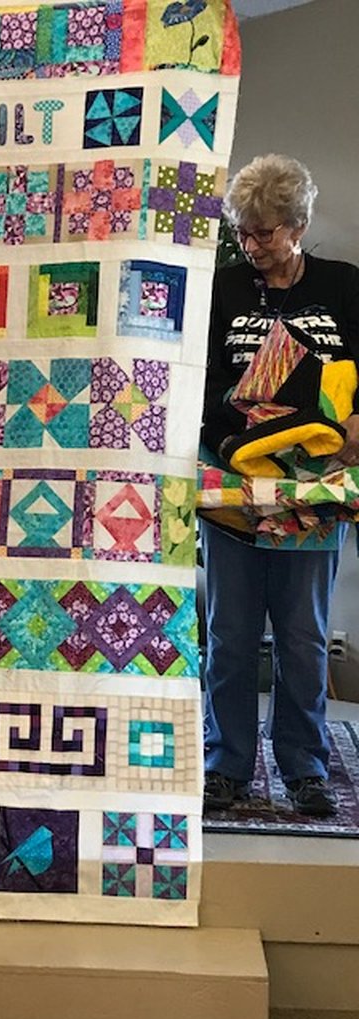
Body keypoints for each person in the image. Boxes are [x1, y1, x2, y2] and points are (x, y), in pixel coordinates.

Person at [201, 154, 359, 817]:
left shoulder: (344, 286)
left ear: (298, 226)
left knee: (301, 637)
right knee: (231, 636)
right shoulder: (222, 289)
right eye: (243, 231)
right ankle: (227, 763)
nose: (251, 245)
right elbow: (200, 377)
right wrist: (238, 429)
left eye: (264, 232)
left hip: (316, 489)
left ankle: (305, 767)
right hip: (235, 484)